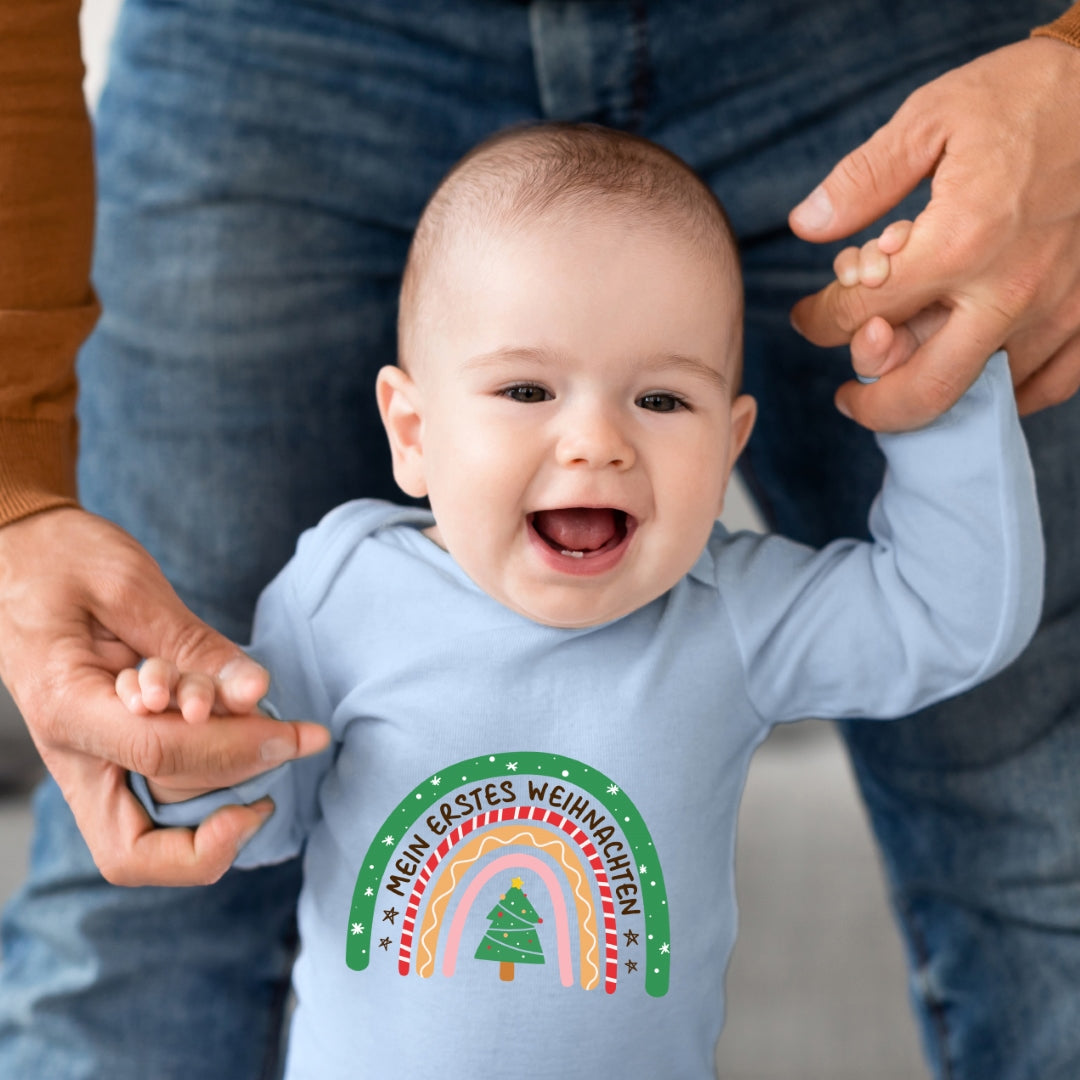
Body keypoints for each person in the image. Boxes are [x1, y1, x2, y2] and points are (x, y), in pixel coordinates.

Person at [0, 1, 1078, 1078]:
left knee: (1044, 863)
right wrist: (177, 742)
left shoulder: (735, 615)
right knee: (127, 944)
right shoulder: (343, 590)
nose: (597, 442)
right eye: (526, 390)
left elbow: (947, 619)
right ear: (412, 432)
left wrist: (942, 400)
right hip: (281, 42)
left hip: (859, 41)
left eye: (663, 400)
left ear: (729, 440)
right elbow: (253, 814)